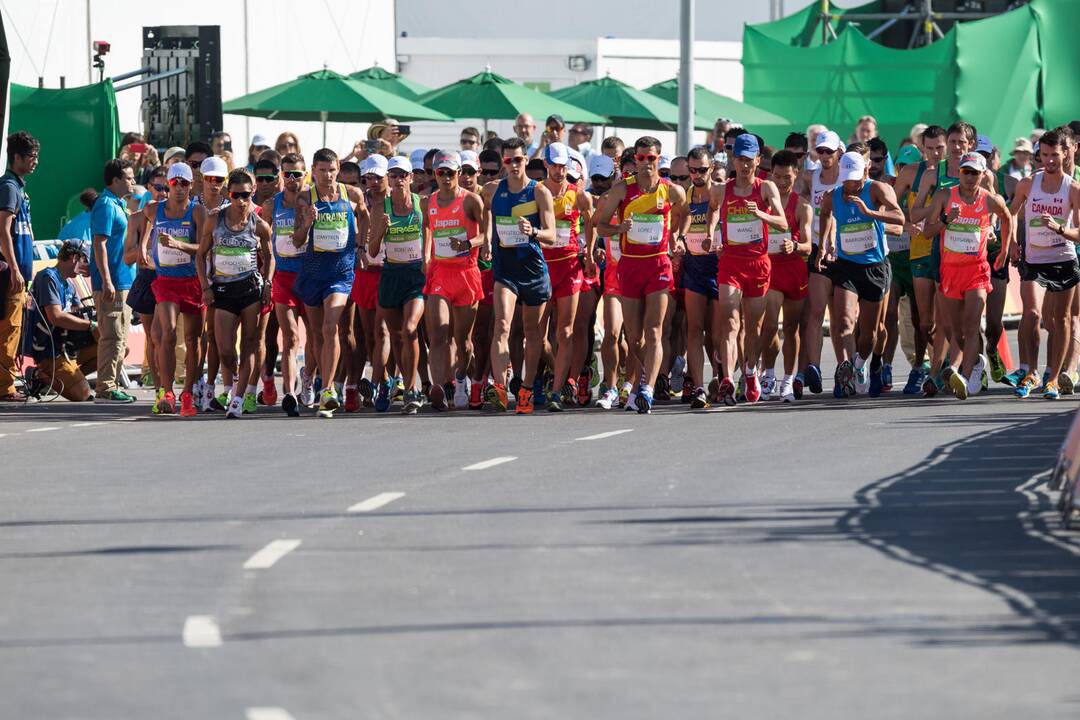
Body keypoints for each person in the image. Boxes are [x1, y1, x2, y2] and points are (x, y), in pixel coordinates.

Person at [594, 136, 689, 413]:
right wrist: (619, 229)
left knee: (655, 330)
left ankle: (646, 387)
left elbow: (683, 213)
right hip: (630, 265)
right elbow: (600, 227)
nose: (646, 163)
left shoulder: (672, 191)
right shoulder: (623, 190)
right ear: (635, 160)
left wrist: (677, 237)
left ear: (659, 160)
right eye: (641, 158)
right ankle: (640, 380)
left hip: (658, 265)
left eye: (652, 158)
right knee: (635, 337)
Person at [921, 151, 1012, 399]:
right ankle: (973, 364)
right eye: (965, 172)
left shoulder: (989, 200)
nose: (969, 177)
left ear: (983, 175)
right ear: (959, 172)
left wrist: (1005, 250)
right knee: (955, 330)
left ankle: (964, 373)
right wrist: (944, 220)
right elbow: (927, 232)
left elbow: (1007, 217)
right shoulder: (944, 196)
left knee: (972, 326)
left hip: (977, 271)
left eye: (974, 172)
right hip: (950, 270)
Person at [709, 134, 788, 406]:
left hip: (758, 264)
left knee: (752, 328)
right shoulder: (721, 190)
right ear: (734, 160)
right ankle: (728, 379)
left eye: (749, 160)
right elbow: (712, 211)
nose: (744, 166)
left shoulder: (766, 188)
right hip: (731, 262)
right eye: (740, 160)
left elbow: (783, 223)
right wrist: (711, 233)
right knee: (730, 322)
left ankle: (751, 370)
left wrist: (761, 214)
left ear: (758, 160)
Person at [819, 151, 904, 398]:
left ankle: (861, 364)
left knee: (871, 332)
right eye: (846, 179)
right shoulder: (834, 195)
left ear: (865, 173)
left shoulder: (877, 189)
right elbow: (825, 214)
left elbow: (899, 217)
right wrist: (824, 244)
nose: (851, 185)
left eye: (855, 180)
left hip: (875, 267)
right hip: (846, 265)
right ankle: (845, 368)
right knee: (844, 320)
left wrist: (870, 213)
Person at [482, 136, 557, 413]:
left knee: (532, 332)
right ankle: (500, 389)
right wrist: (485, 243)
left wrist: (534, 232)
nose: (513, 165)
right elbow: (482, 218)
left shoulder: (539, 192)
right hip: (506, 270)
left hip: (533, 270)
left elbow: (551, 234)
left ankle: (526, 388)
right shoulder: (491, 190)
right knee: (501, 325)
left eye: (518, 159)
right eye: (507, 160)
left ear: (526, 160)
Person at [291, 148, 369, 418]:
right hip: (313, 273)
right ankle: (311, 375)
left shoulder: (352, 195)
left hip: (341, 273)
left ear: (339, 169)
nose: (328, 175)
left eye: (332, 170)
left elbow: (366, 217)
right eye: (322, 170)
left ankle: (327, 391)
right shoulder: (305, 198)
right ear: (313, 170)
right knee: (316, 335)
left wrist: (361, 247)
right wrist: (308, 222)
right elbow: (297, 240)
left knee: (330, 327)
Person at [1009, 129, 1080, 399]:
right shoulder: (1028, 184)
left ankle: (1052, 378)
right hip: (1034, 260)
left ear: (1065, 153)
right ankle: (1031, 373)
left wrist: (1061, 229)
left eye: (1055, 155)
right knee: (1033, 314)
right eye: (1045, 155)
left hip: (1063, 259)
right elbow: (1011, 214)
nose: (1050, 160)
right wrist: (1013, 243)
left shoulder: (1073, 188)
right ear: (1039, 155)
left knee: (1060, 320)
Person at [196, 169, 273, 418]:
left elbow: (270, 256)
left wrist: (268, 283)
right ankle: (237, 377)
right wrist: (205, 287)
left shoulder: (259, 224)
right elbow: (200, 255)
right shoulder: (215, 219)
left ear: (252, 194)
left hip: (250, 287)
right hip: (223, 289)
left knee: (251, 342)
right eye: (235, 195)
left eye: (246, 195)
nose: (241, 201)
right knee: (225, 349)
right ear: (229, 194)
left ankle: (238, 399)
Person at [422, 150, 485, 410]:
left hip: (466, 273)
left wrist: (467, 243)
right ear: (435, 174)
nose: (446, 177)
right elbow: (427, 227)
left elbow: (485, 236)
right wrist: (426, 257)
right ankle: (439, 386)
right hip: (440, 273)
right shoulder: (429, 202)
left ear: (459, 173)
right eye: (441, 173)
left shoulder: (471, 201)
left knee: (464, 341)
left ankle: (460, 379)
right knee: (437, 333)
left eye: (451, 173)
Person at [143, 162, 205, 416]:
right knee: (166, 334)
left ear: (191, 185)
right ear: (167, 184)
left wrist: (180, 245)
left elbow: (204, 247)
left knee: (193, 340)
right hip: (166, 281)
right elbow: (138, 222)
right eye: (174, 182)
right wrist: (143, 247)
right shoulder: (153, 210)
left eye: (185, 183)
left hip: (192, 281)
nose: (179, 188)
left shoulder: (197, 211)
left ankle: (188, 392)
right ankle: (167, 392)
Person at [368, 156, 426, 415]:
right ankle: (393, 382)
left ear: (411, 178)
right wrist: (380, 230)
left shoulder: (421, 204)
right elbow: (371, 250)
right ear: (388, 180)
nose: (398, 180)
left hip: (415, 275)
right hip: (391, 274)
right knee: (396, 337)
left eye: (403, 175)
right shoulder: (382, 208)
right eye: (393, 176)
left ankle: (413, 389)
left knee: (411, 329)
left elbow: (432, 236)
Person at [762, 149, 812, 402]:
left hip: (794, 269)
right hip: (769, 269)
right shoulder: (763, 202)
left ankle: (788, 380)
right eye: (778, 177)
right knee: (770, 325)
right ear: (771, 175)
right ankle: (768, 374)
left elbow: (808, 245)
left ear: (797, 174)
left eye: (787, 177)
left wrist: (795, 245)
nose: (782, 183)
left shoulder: (802, 205)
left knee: (791, 328)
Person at [90, 158, 138, 404]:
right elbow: (99, 243)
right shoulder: (106, 205)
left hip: (124, 281)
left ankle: (112, 384)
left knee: (120, 335)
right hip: (113, 284)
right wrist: (106, 280)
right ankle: (106, 387)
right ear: (116, 180)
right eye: (129, 177)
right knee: (112, 334)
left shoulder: (118, 204)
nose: (133, 181)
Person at [265, 152, 308, 416]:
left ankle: (309, 378)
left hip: (312, 276)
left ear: (306, 175)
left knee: (314, 337)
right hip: (284, 276)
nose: (292, 179)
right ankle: (289, 393)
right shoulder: (273, 204)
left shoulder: (316, 201)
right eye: (287, 174)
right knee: (290, 336)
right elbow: (264, 244)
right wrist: (266, 277)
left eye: (297, 174)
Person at [799, 130, 842, 395]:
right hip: (818, 249)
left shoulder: (849, 177)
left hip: (845, 252)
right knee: (815, 312)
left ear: (839, 151)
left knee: (841, 319)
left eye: (829, 151)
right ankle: (813, 367)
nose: (825, 156)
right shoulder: (810, 177)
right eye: (821, 151)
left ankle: (844, 369)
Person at [28, 240, 98, 401]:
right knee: (83, 394)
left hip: (68, 347)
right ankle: (38, 375)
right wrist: (91, 325)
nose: (85, 266)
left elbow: (78, 313)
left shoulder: (69, 284)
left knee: (116, 348)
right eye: (84, 260)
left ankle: (68, 377)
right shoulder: (47, 277)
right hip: (49, 350)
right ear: (74, 257)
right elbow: (56, 316)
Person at [0, 132, 39, 401]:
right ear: (17, 157)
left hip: (19, 274)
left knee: (12, 330)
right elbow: (3, 229)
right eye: (32, 157)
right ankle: (4, 387)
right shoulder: (9, 188)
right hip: (9, 275)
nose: (36, 162)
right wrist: (14, 267)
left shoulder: (18, 187)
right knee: (9, 330)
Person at [680, 146, 719, 408]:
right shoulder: (685, 197)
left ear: (712, 168)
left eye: (702, 170)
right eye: (692, 170)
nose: (697, 175)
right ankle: (699, 388)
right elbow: (677, 228)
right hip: (693, 268)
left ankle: (720, 378)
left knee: (716, 333)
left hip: (719, 268)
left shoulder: (721, 192)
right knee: (693, 329)